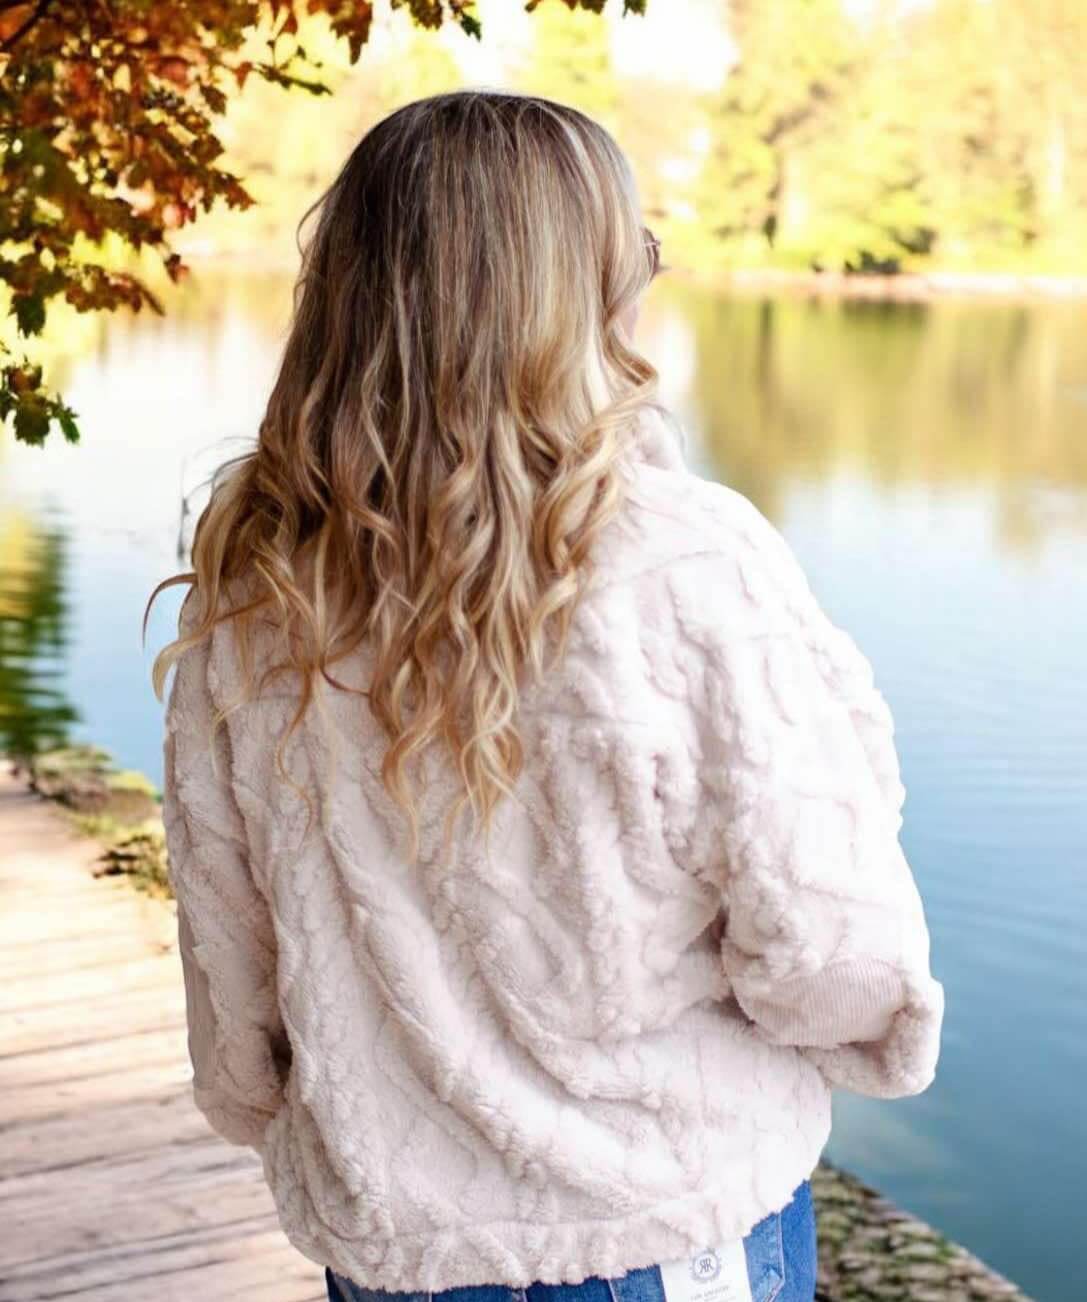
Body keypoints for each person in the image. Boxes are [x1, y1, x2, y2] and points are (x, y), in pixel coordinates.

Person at [147, 90, 944, 1302]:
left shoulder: (258, 574)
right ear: (582, 290)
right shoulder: (682, 562)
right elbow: (833, 954)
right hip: (655, 1233)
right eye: (639, 256)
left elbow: (231, 950)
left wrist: (300, 1110)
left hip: (394, 1244)